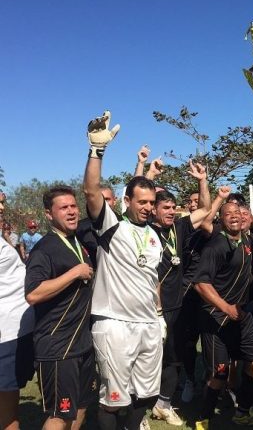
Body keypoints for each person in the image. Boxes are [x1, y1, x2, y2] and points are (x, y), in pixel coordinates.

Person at [83, 111, 164, 430]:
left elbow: (151, 277)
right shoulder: (111, 227)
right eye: (140, 202)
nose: (146, 207)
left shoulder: (153, 235)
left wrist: (159, 316)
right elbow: (91, 192)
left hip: (148, 324)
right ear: (126, 201)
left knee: (145, 397)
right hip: (115, 324)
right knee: (114, 400)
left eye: (151, 202)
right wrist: (96, 151)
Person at [193, 201, 253, 429]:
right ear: (221, 219)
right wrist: (225, 307)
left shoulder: (247, 242)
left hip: (241, 314)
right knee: (219, 374)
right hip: (216, 317)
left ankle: (242, 411)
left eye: (238, 213)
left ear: (245, 219)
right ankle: (204, 418)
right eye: (228, 213)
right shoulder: (216, 246)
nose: (234, 216)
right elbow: (200, 284)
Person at [148, 163, 222, 426]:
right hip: (148, 310)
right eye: (165, 208)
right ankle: (135, 413)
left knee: (174, 358)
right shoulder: (142, 231)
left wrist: (203, 180)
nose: (171, 212)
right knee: (144, 361)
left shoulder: (178, 227)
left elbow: (205, 212)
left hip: (175, 306)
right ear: (152, 210)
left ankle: (163, 403)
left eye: (173, 207)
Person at [24, 186, 96, 430]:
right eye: (63, 208)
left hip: (83, 344)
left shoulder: (78, 241)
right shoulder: (44, 249)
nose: (71, 211)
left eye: (73, 206)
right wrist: (74, 273)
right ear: (48, 214)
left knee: (82, 405)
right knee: (61, 413)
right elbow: (33, 293)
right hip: (57, 346)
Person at [0, 192, 35, 430]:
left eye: (2, 202)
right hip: (6, 333)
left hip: (16, 329)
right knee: (7, 405)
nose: (2, 207)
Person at [76, 185, 118, 268]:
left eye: (107, 199)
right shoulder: (79, 228)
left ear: (115, 200)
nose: (103, 204)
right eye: (99, 200)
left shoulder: (125, 224)